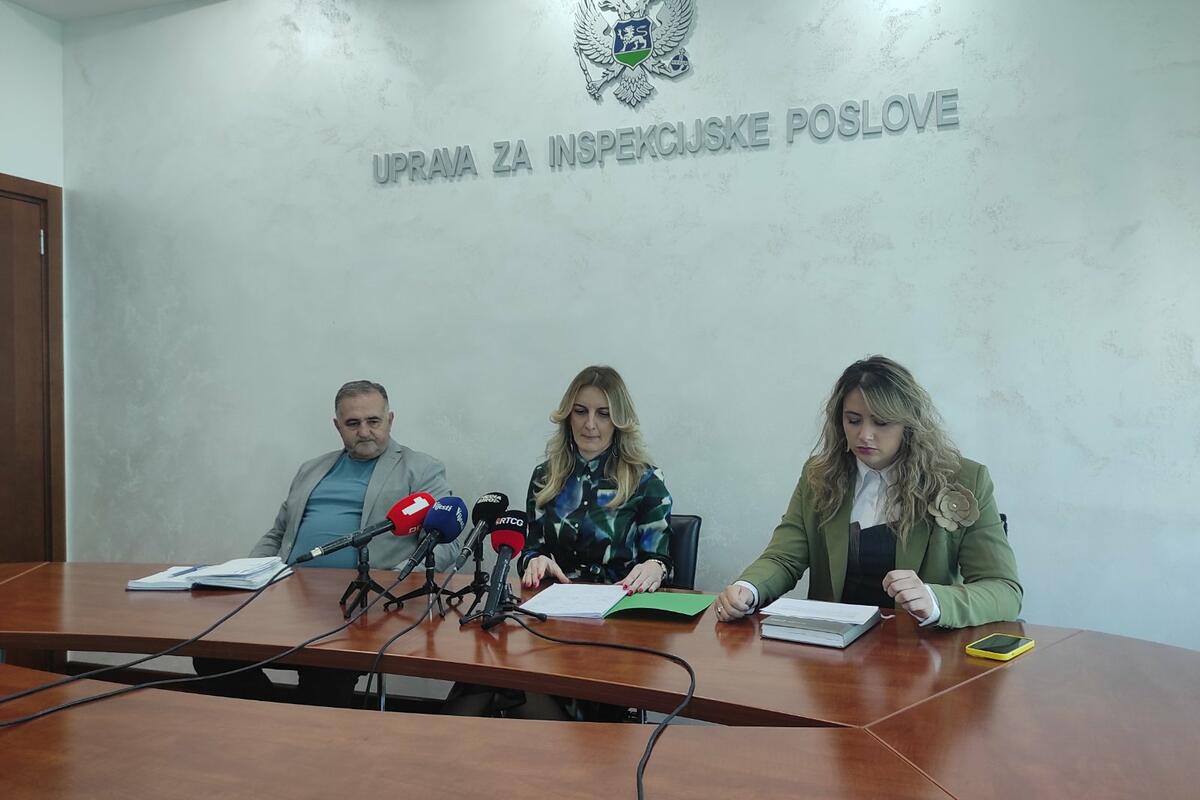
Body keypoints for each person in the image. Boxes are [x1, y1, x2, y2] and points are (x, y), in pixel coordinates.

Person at [195, 380, 455, 706]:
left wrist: (398, 581)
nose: (364, 431)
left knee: (325, 672)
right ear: (337, 426)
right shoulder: (312, 469)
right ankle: (275, 719)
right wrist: (247, 575)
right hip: (289, 599)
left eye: (373, 421)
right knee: (212, 655)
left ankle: (299, 727)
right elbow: (277, 534)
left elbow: (445, 540)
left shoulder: (421, 469)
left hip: (362, 608)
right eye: (353, 423)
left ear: (390, 420)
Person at [716, 356, 1021, 629]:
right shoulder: (818, 475)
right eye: (853, 420)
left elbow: (1004, 590)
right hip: (832, 650)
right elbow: (784, 558)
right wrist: (748, 588)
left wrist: (936, 600)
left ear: (909, 424)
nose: (864, 435)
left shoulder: (965, 479)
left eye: (882, 422)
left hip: (922, 652)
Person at [520, 365, 673, 595]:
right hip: (560, 602)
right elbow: (531, 551)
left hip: (623, 603)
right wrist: (534, 562)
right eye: (580, 411)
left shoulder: (645, 480)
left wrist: (656, 567)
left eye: (603, 414)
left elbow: (660, 560)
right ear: (568, 416)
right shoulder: (545, 476)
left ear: (618, 421)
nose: (590, 424)